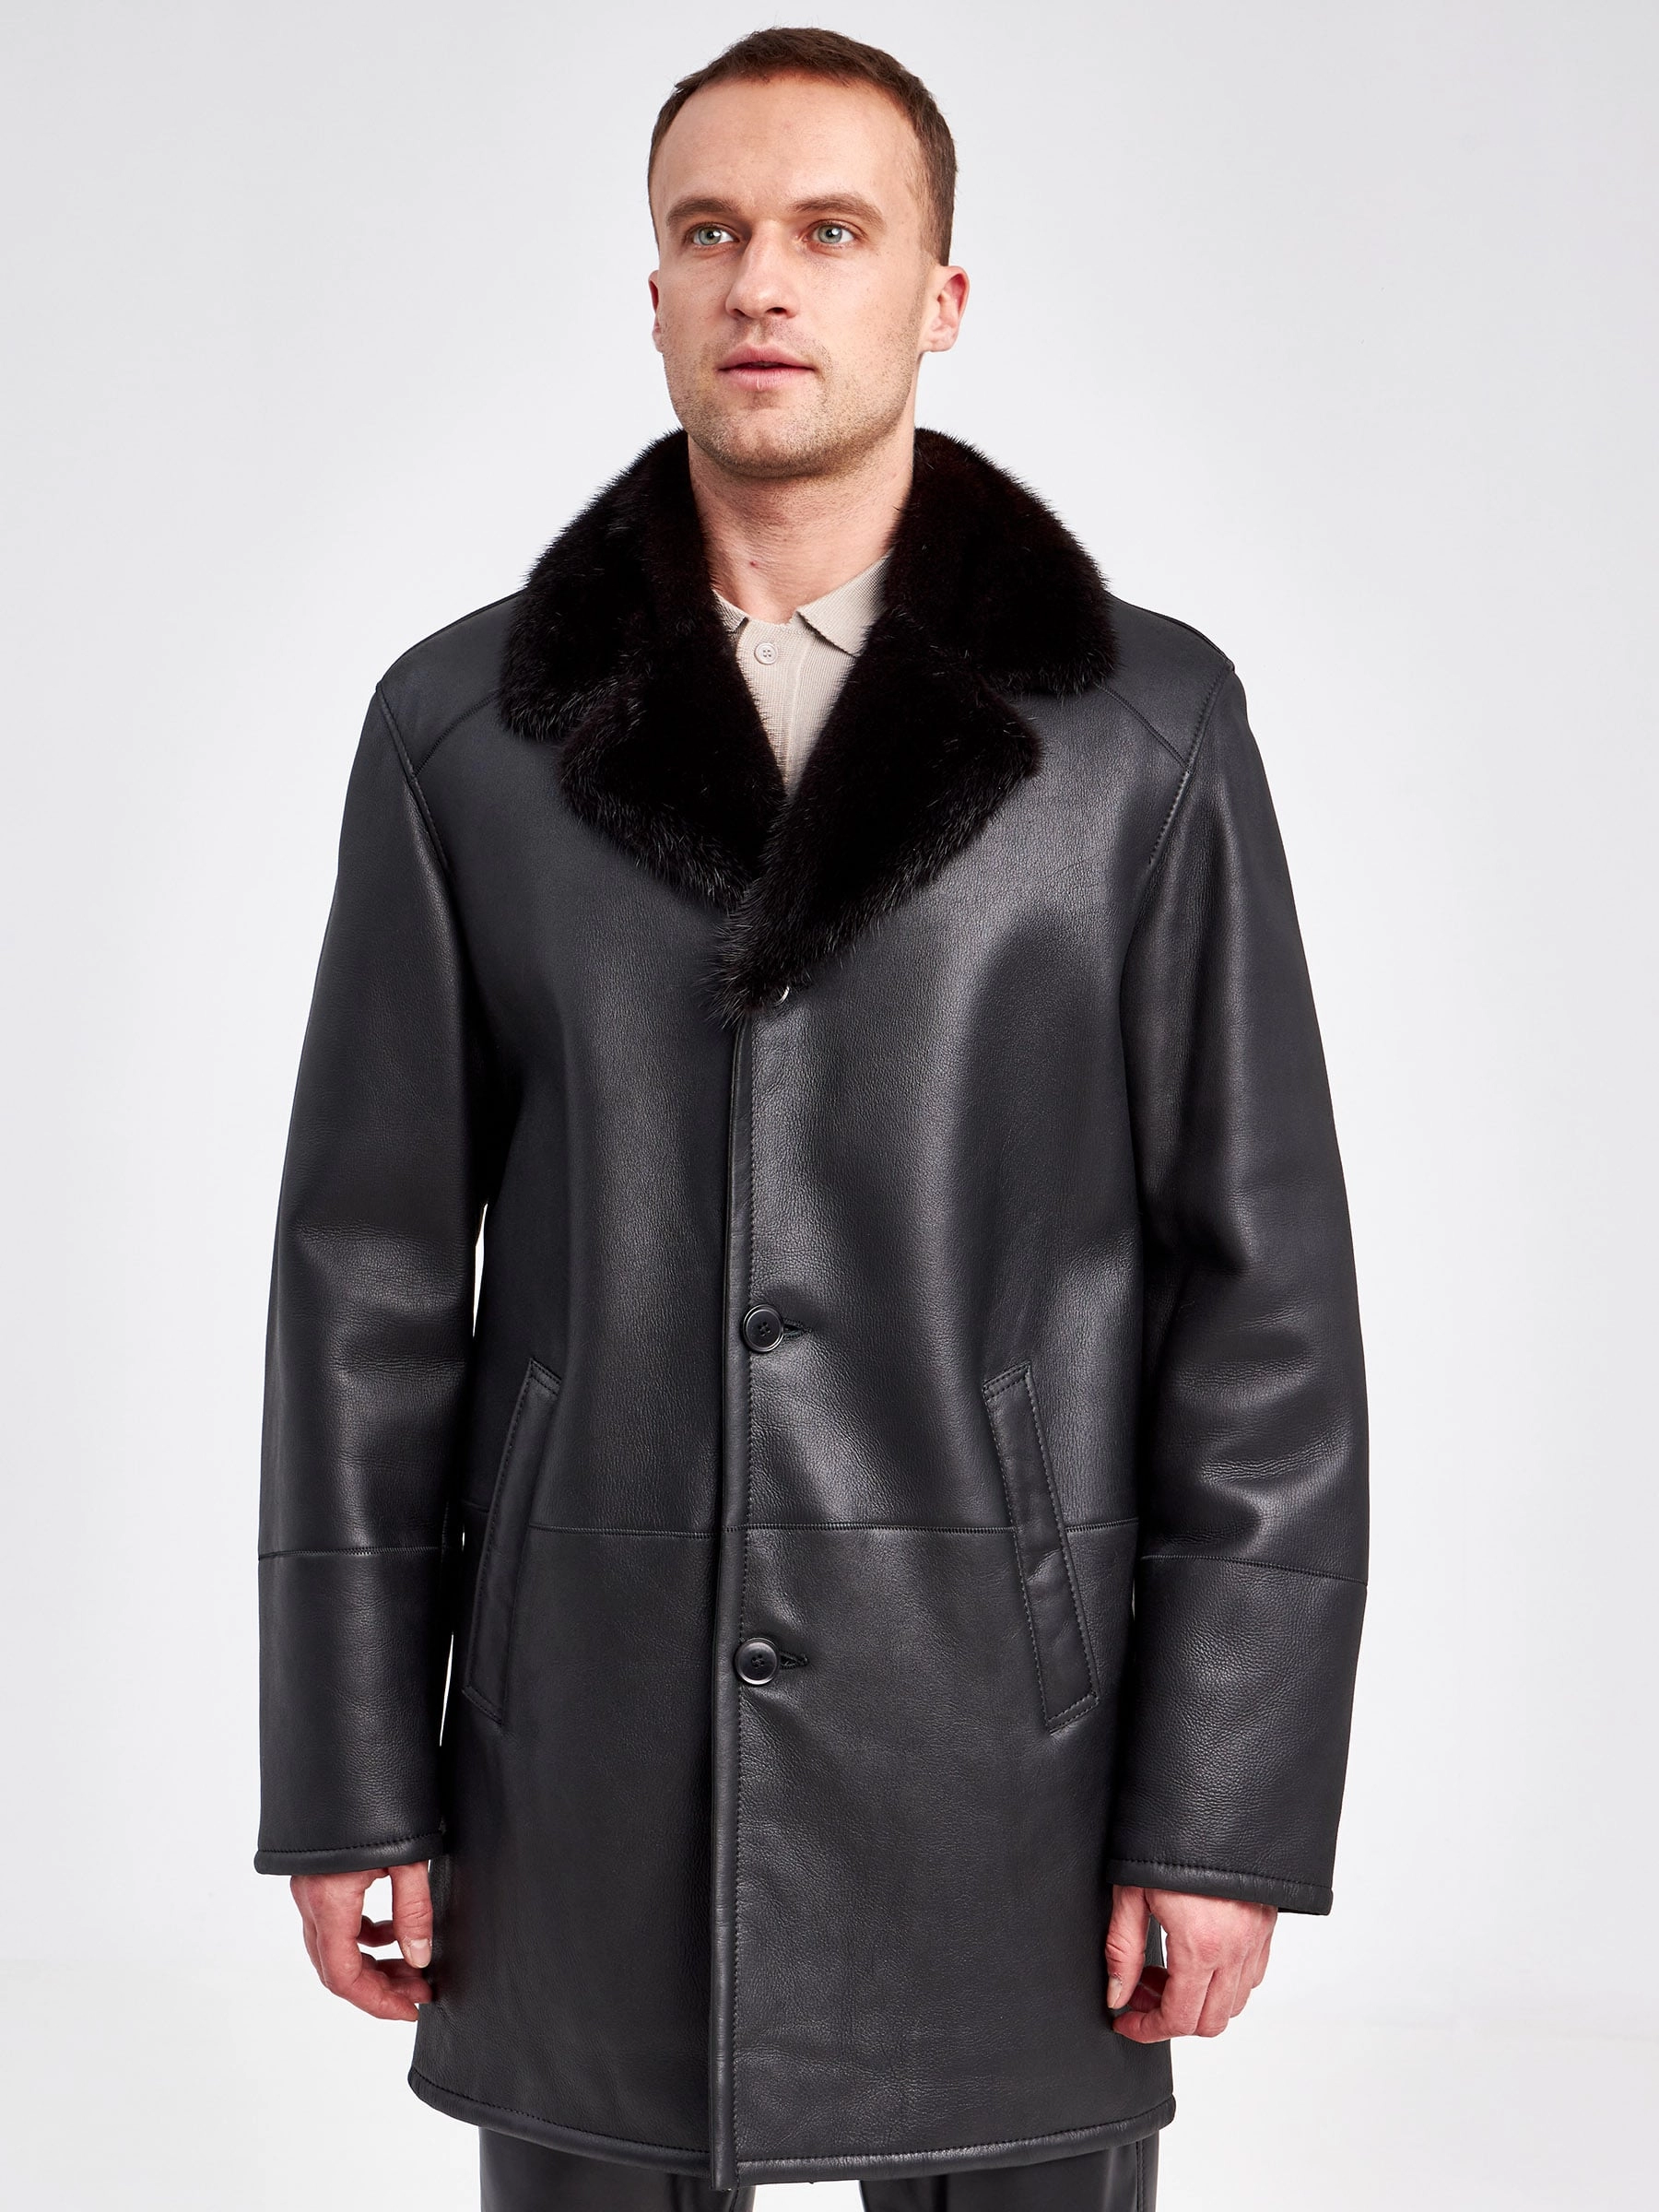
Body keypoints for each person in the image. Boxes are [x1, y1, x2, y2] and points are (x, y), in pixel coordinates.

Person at [255, 27, 1369, 2212]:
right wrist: (351, 1773)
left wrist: (1222, 1807)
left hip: (1015, 1748)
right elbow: (366, 1282)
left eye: (831, 232)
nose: (764, 280)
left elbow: (1264, 1302)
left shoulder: (1141, 737)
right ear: (655, 289)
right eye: (713, 231)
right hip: (583, 1737)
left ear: (938, 296)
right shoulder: (465, 733)